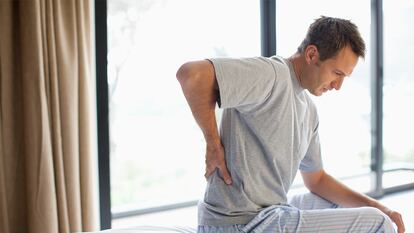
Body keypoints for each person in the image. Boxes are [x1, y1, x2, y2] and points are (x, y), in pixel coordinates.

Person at [176, 16, 405, 233]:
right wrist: (213, 144)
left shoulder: (309, 109)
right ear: (312, 54)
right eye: (337, 73)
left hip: (270, 214)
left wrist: (379, 206)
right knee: (378, 224)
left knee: (352, 207)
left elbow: (316, 180)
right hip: (239, 223)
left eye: (344, 76)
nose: (338, 86)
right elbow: (192, 75)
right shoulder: (272, 75)